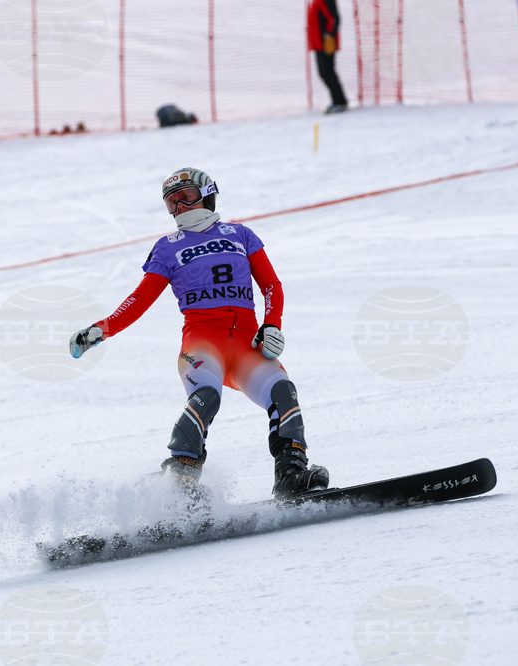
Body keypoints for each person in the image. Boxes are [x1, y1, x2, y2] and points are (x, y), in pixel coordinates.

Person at [69, 168, 329, 500]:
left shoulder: (240, 234)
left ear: (207, 194)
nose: (179, 207)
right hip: (203, 343)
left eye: (186, 197)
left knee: (283, 392)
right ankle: (179, 480)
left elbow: (271, 286)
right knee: (207, 396)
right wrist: (101, 329)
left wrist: (272, 323)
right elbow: (140, 299)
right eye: (171, 203)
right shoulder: (167, 247)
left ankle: (291, 476)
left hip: (248, 343)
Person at [308, 0, 348, 114]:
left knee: (327, 72)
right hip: (319, 43)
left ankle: (339, 102)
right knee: (325, 73)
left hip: (325, 43)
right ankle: (339, 101)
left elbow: (334, 18)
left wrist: (329, 36)